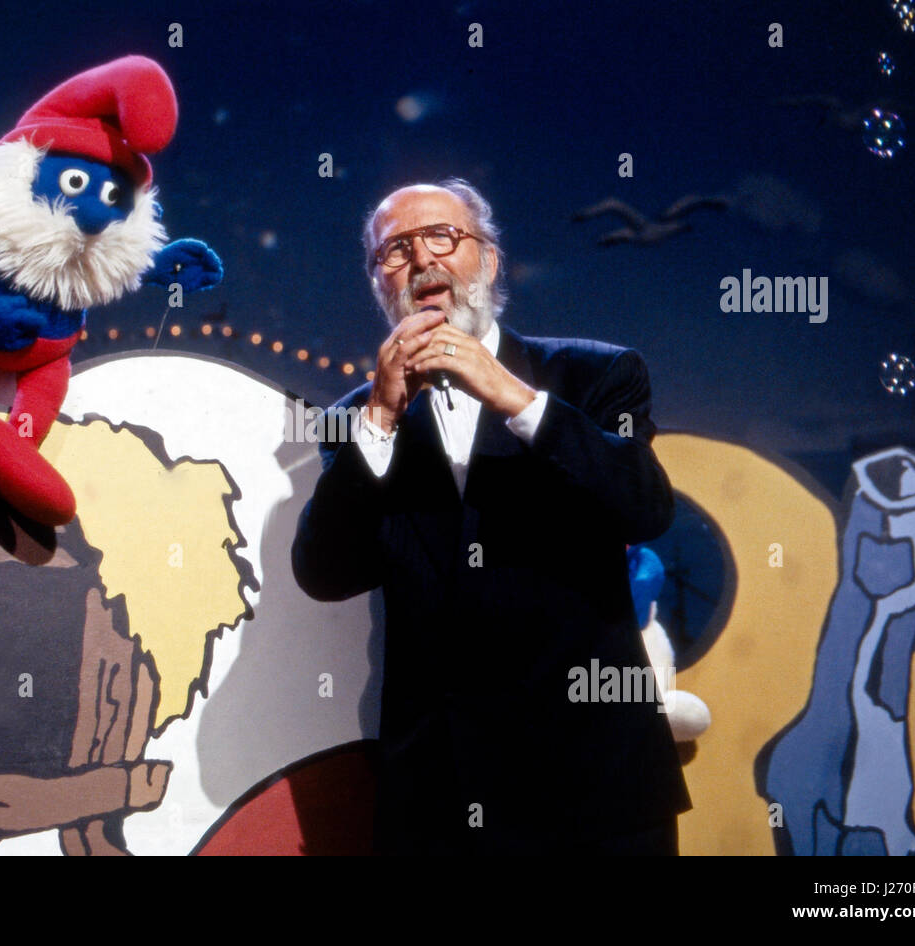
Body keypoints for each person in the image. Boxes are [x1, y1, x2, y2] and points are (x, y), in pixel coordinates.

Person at [291, 179, 691, 854]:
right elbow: (326, 572)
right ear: (379, 283)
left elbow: (644, 506)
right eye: (396, 249)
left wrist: (512, 396)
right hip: (440, 802)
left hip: (597, 793)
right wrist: (382, 419)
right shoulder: (355, 419)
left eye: (443, 236)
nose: (422, 260)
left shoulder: (597, 375)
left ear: (490, 261)